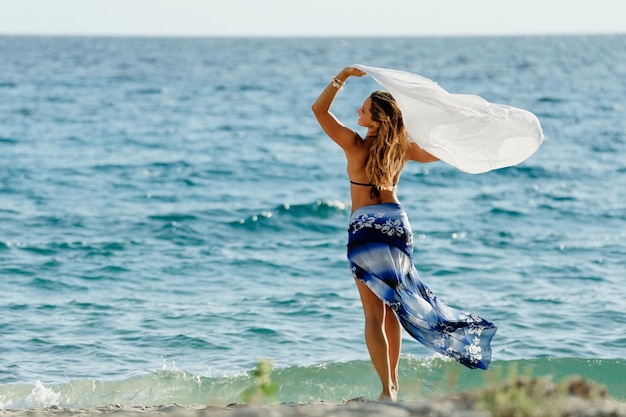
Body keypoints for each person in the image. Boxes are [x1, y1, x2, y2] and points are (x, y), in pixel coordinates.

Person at [311, 67, 496, 402]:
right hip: (397, 225)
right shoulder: (403, 148)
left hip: (366, 226)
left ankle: (388, 389)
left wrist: (341, 78)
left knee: (373, 315)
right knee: (393, 306)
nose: (358, 112)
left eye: (364, 110)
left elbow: (319, 110)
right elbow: (440, 151)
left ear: (377, 120)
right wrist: (467, 128)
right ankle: (391, 384)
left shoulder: (354, 144)